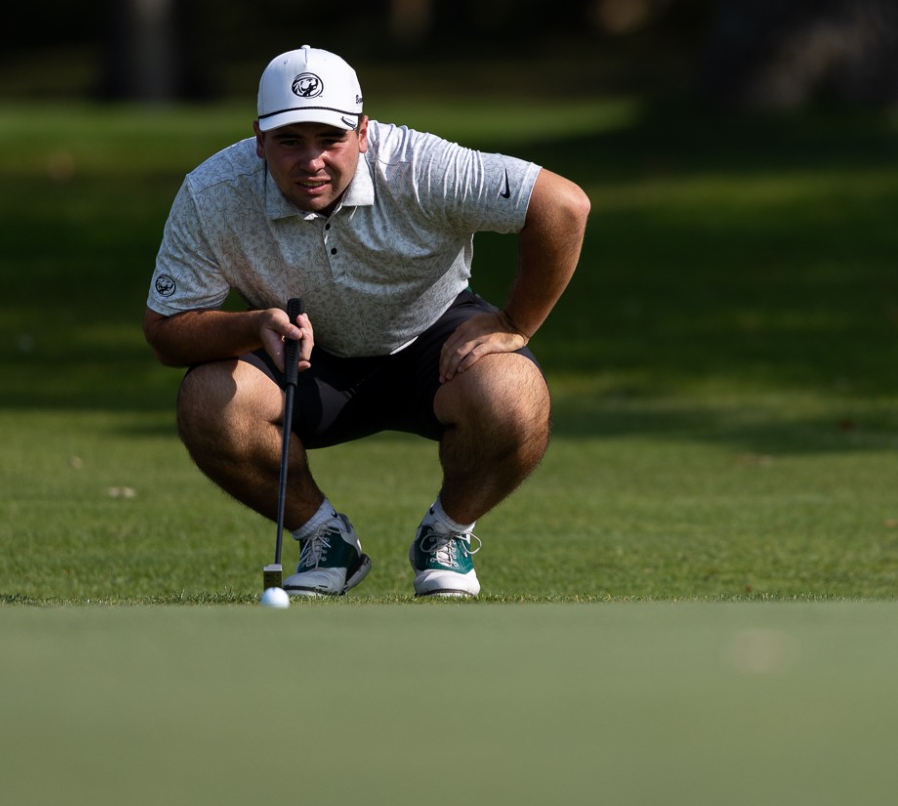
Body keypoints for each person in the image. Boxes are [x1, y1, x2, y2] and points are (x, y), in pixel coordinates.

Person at [142, 46, 590, 599]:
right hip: (305, 356)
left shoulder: (420, 166)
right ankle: (324, 538)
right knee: (209, 398)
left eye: (330, 139)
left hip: (434, 341)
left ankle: (447, 533)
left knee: (515, 395)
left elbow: (562, 205)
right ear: (259, 139)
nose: (312, 161)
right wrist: (250, 324)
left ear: (362, 132)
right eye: (289, 141)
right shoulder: (212, 194)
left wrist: (516, 323)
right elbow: (166, 330)